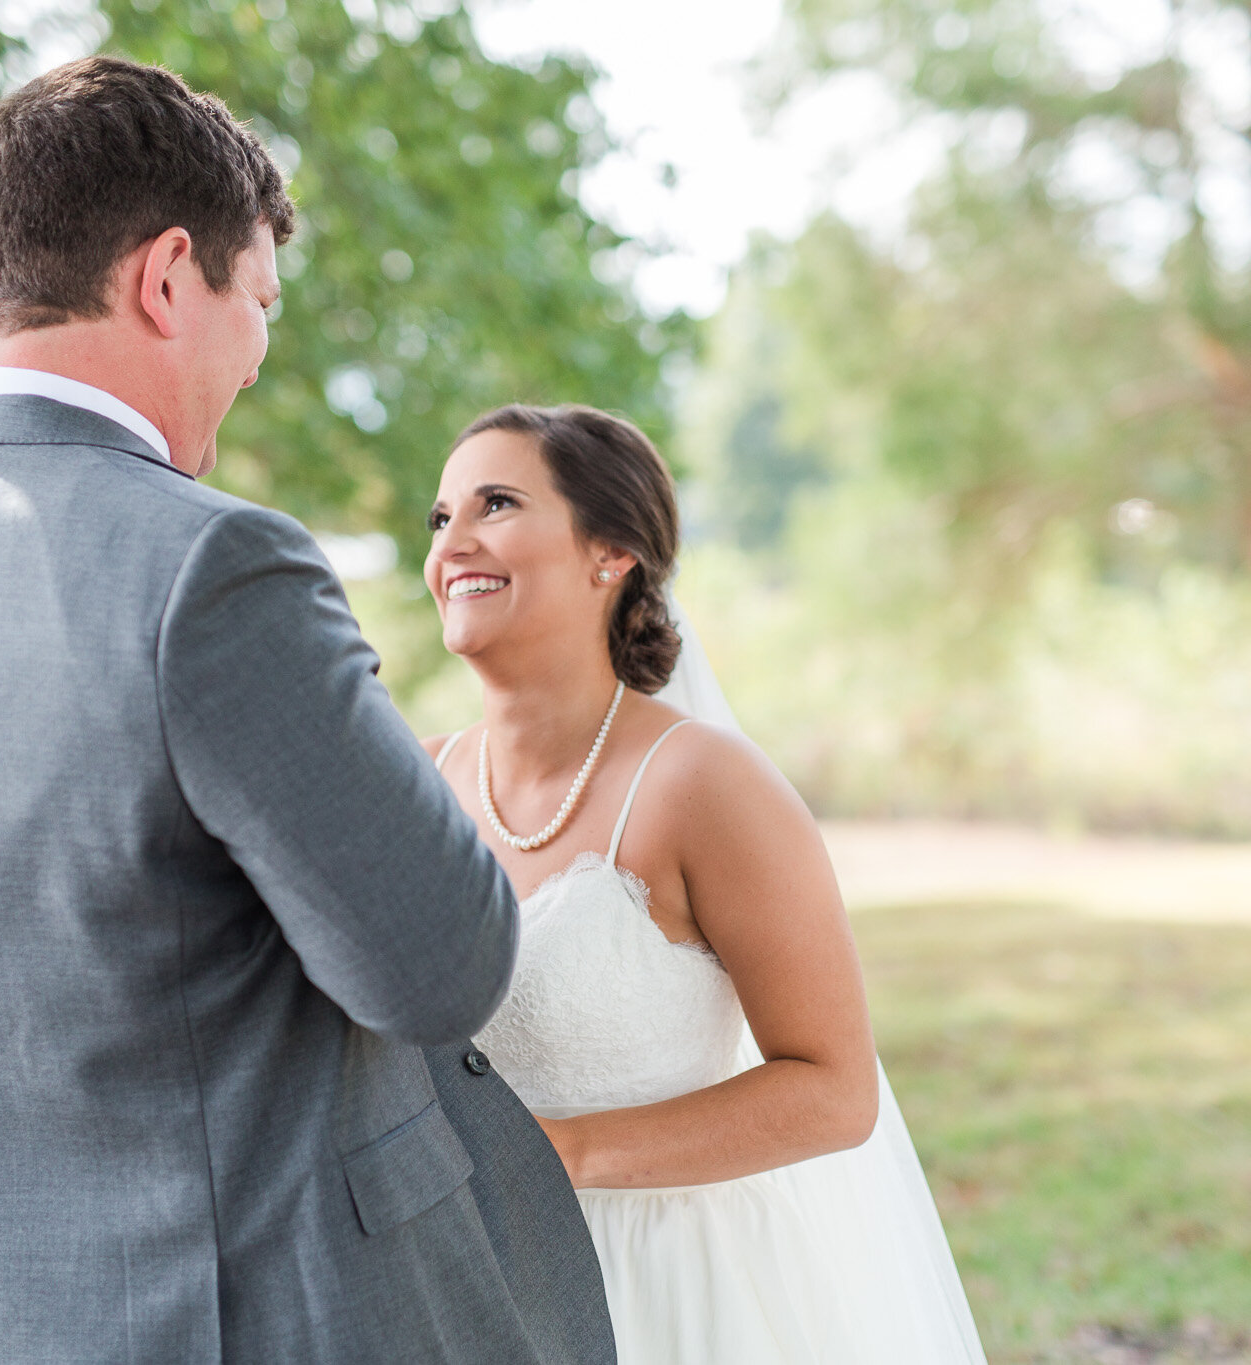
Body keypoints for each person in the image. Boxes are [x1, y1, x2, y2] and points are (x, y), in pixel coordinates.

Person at [0, 57, 610, 1363]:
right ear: (165, 278)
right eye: (256, 301)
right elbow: (438, 965)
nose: (257, 355)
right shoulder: (217, 566)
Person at [423, 402, 988, 1362]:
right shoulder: (417, 778)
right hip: (460, 1284)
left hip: (662, 1289)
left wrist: (564, 1154)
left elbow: (834, 1090)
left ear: (611, 553)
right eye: (440, 518)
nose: (454, 541)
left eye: (498, 503)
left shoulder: (704, 785)